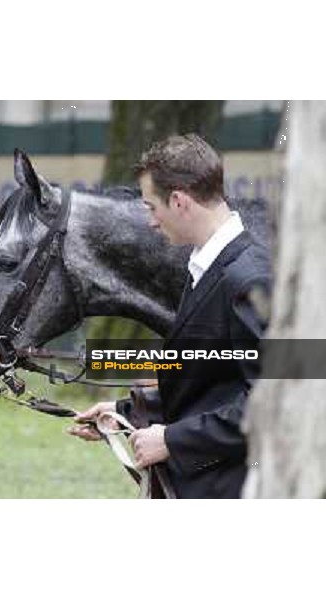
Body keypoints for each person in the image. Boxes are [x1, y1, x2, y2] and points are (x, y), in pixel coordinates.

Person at [68, 133, 272, 499]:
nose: (151, 221)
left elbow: (270, 401)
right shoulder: (210, 267)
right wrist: (125, 412)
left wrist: (172, 440)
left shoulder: (249, 278)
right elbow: (211, 382)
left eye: (150, 207)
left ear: (178, 201)